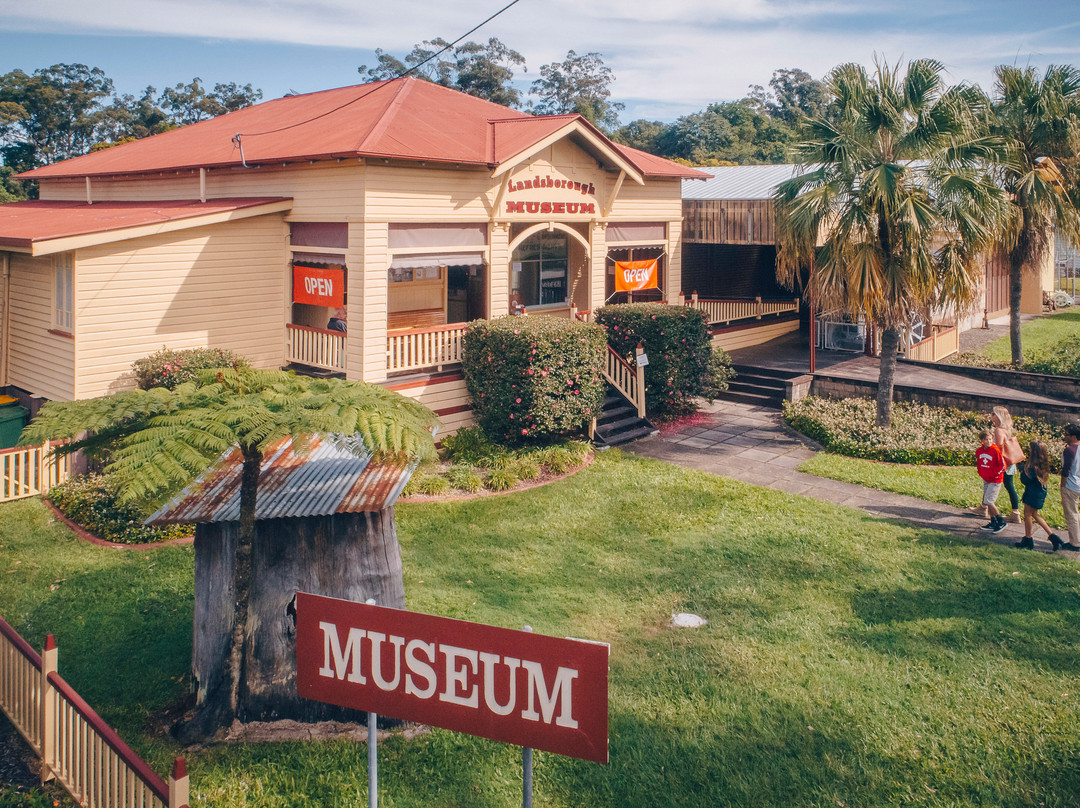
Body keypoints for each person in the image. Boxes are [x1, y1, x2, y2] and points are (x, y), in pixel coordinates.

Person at [1015, 440, 1063, 550]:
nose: (1029, 450)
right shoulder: (1042, 464)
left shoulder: (1032, 466)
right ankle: (1053, 537)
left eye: (1031, 448)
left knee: (1027, 515)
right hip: (1040, 492)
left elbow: (1025, 480)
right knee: (1035, 514)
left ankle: (1028, 539)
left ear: (1034, 451)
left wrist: (1022, 470)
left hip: (1032, 493)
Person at [991, 406, 1023, 523]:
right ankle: (1015, 512)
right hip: (1009, 464)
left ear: (999, 416)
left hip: (1001, 464)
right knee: (1010, 487)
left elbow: (998, 447)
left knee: (991, 485)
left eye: (993, 413)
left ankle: (985, 508)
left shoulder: (999, 430)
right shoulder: (1007, 429)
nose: (991, 416)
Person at [976, 428, 1007, 533]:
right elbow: (979, 463)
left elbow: (1003, 465)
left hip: (995, 480)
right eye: (987, 440)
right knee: (987, 501)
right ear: (982, 441)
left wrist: (995, 474)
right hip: (986, 479)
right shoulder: (979, 451)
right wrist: (981, 472)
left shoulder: (995, 450)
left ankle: (1001, 521)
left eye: (990, 439)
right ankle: (993, 521)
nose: (989, 442)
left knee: (989, 501)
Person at [1060, 421, 1080, 551]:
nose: (1064, 437)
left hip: (1071, 486)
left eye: (1066, 435)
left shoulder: (1069, 450)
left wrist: (1062, 485)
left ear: (1073, 436)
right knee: (1077, 514)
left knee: (1071, 514)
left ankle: (1075, 543)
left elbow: (1066, 469)